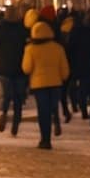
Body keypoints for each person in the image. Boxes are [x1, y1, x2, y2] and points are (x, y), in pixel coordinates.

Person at [21, 20, 69, 150]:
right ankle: (55, 121)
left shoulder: (30, 49)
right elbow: (65, 70)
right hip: (55, 83)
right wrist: (63, 77)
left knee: (43, 112)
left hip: (39, 84)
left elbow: (26, 68)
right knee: (52, 107)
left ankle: (45, 139)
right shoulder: (58, 48)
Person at [0, 9, 29, 136]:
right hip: (20, 68)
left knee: (6, 95)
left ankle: (4, 113)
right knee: (18, 97)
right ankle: (16, 122)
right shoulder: (23, 28)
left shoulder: (0, 28)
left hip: (4, 67)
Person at [66, 10, 90, 134]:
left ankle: (85, 111)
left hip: (81, 66)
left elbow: (71, 49)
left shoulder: (78, 31)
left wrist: (72, 65)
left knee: (83, 90)